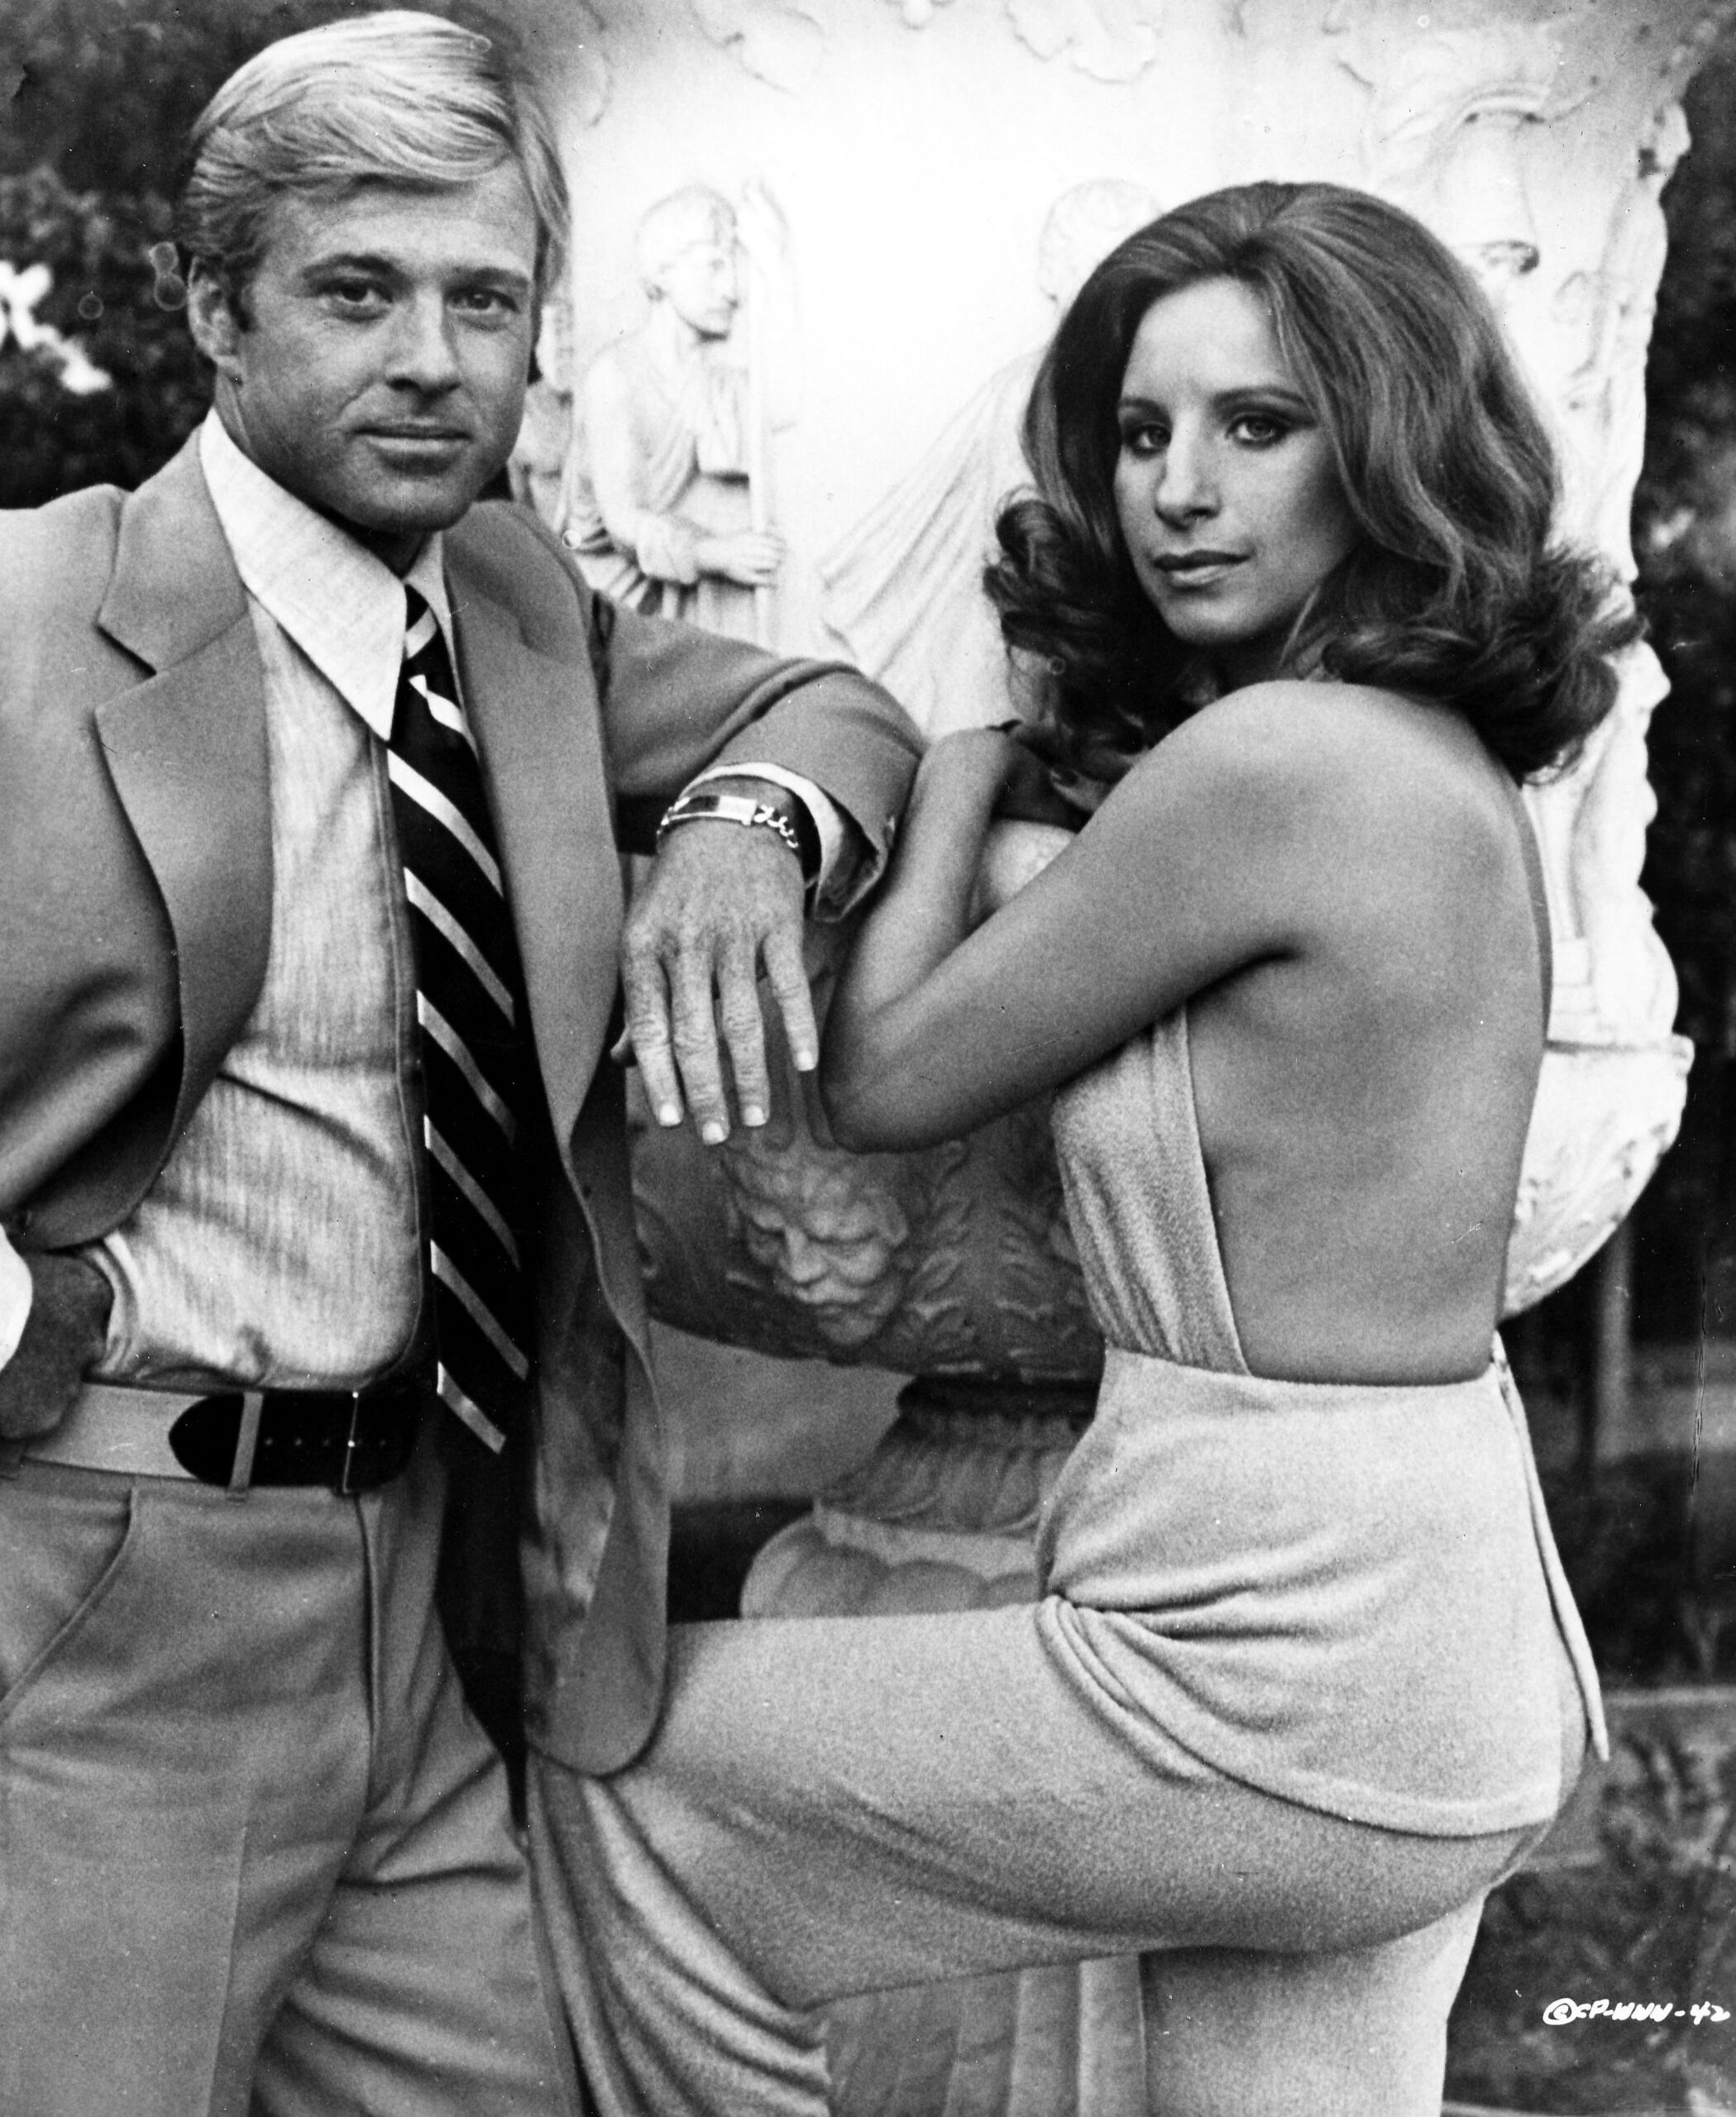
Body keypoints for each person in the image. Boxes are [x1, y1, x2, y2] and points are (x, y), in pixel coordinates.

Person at [531, 180, 1633, 2116]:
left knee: (616, 1774)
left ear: (1386, 450)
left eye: (1254, 424)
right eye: (1137, 432)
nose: (1173, 492)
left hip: (1277, 1662)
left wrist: (959, 767)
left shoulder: (1271, 764)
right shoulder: (1424, 754)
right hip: (1420, 1638)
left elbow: (880, 1077)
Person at [0, 16, 918, 2116]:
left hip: (426, 1583)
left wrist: (734, 827)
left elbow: (826, 710)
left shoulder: (507, 604)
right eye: (357, 291)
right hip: (102, 1585)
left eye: (483, 300)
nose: (432, 359)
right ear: (211, 308)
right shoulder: (25, 615)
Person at [565, 184, 786, 637]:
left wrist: (774, 269)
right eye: (714, 266)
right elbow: (624, 523)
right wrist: (719, 555)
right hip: (605, 606)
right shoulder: (616, 375)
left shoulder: (714, 383)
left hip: (677, 603)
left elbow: (782, 411)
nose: (732, 291)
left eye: (734, 269)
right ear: (662, 273)